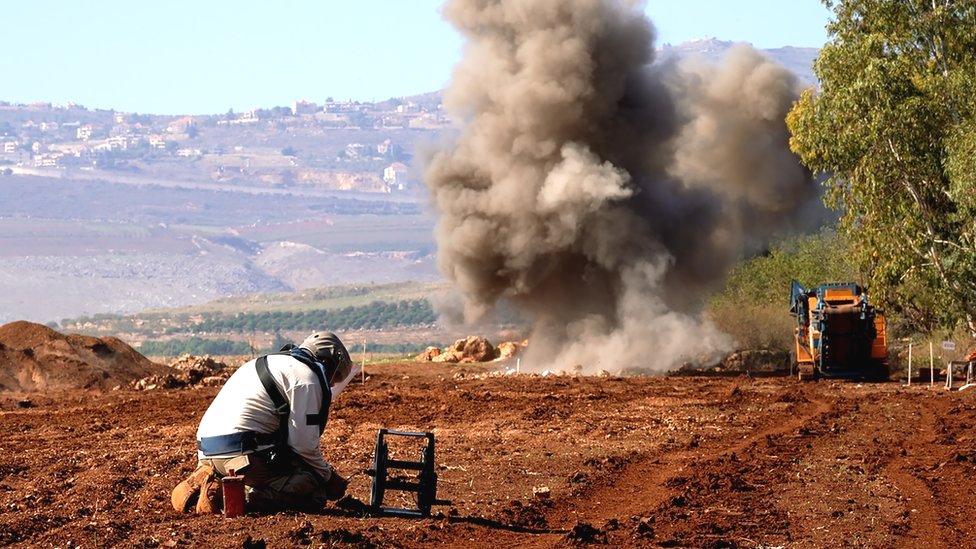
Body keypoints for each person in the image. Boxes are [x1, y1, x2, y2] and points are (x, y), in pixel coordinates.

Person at [172, 331, 353, 514]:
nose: (330, 384)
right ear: (328, 362)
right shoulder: (307, 379)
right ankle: (239, 498)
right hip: (242, 454)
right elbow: (303, 445)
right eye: (334, 377)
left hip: (207, 451)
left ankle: (212, 477)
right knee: (313, 493)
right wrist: (327, 477)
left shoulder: (268, 363)